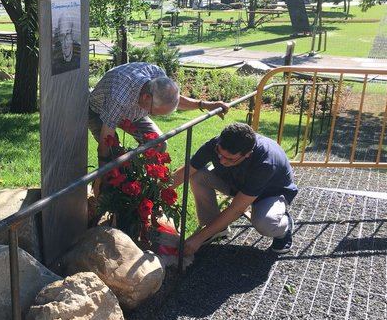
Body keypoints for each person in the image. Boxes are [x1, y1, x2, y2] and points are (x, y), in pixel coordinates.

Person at [171, 122, 298, 255]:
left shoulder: (266, 162)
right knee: (197, 175)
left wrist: (198, 238)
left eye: (230, 159)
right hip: (237, 184)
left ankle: (284, 228)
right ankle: (215, 228)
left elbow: (237, 208)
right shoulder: (216, 144)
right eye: (220, 154)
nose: (222, 161)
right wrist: (154, 193)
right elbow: (186, 171)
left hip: (269, 193)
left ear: (248, 154)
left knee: (265, 223)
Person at [89, 62, 229, 167]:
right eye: (153, 113)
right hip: (99, 111)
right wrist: (104, 173)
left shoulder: (157, 77)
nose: (151, 116)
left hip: (131, 111)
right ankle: (103, 194)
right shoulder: (119, 95)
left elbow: (174, 100)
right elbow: (104, 143)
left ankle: (140, 188)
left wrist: (207, 105)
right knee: (113, 155)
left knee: (158, 144)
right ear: (146, 98)